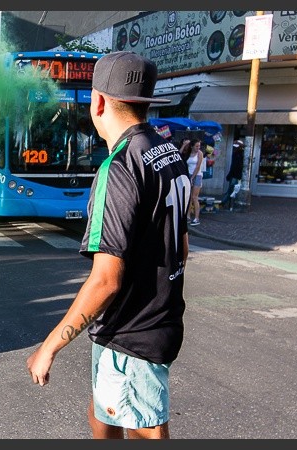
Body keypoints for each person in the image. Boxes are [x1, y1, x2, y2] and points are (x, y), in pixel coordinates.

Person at [26, 51, 189, 439]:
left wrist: (49, 347)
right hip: (156, 320)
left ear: (98, 102)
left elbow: (106, 281)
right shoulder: (168, 153)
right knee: (104, 414)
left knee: (146, 429)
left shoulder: (118, 168)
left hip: (133, 332)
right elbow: (182, 245)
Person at [220, 140, 245, 210]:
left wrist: (230, 174)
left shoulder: (237, 154)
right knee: (232, 191)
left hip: (235, 175)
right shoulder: (240, 154)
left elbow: (235, 166)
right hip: (236, 175)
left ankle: (224, 203)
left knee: (231, 191)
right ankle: (226, 204)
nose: (235, 148)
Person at [185, 139, 205, 225]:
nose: (198, 148)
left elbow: (198, 166)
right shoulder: (188, 153)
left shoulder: (200, 153)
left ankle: (197, 218)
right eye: (196, 146)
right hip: (189, 174)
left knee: (194, 197)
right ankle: (188, 216)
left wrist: (192, 178)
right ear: (192, 146)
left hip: (197, 175)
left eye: (199, 146)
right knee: (188, 197)